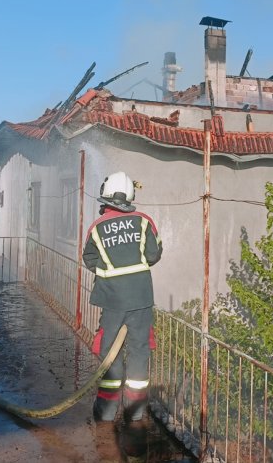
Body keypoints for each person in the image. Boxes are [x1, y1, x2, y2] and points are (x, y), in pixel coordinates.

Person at [82, 171, 162, 422]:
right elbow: (154, 254)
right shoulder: (144, 221)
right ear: (129, 196)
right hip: (140, 298)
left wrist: (109, 272)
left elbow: (89, 259)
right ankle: (135, 412)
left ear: (106, 197)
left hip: (113, 301)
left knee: (110, 352)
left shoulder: (96, 228)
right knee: (139, 351)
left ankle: (106, 411)